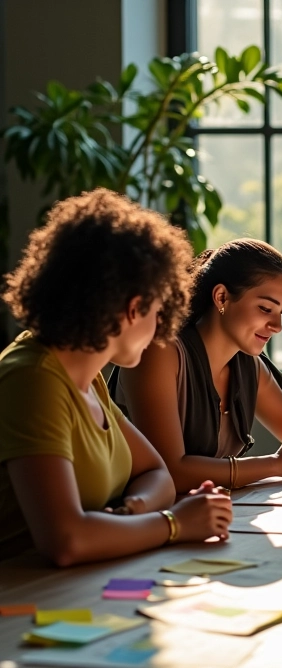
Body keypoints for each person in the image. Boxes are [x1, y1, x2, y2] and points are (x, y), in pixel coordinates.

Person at [0, 189, 233, 567]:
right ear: (133, 308)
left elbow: (158, 473)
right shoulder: (33, 378)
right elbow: (66, 541)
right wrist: (174, 524)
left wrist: (131, 511)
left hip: (77, 584)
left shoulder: (88, 378)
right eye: (159, 312)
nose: (161, 329)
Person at [115, 238, 282, 493]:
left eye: (281, 312)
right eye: (265, 308)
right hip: (135, 519)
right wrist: (276, 464)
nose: (277, 326)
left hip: (207, 517)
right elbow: (169, 473)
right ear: (221, 297)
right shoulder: (160, 352)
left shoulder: (249, 367)